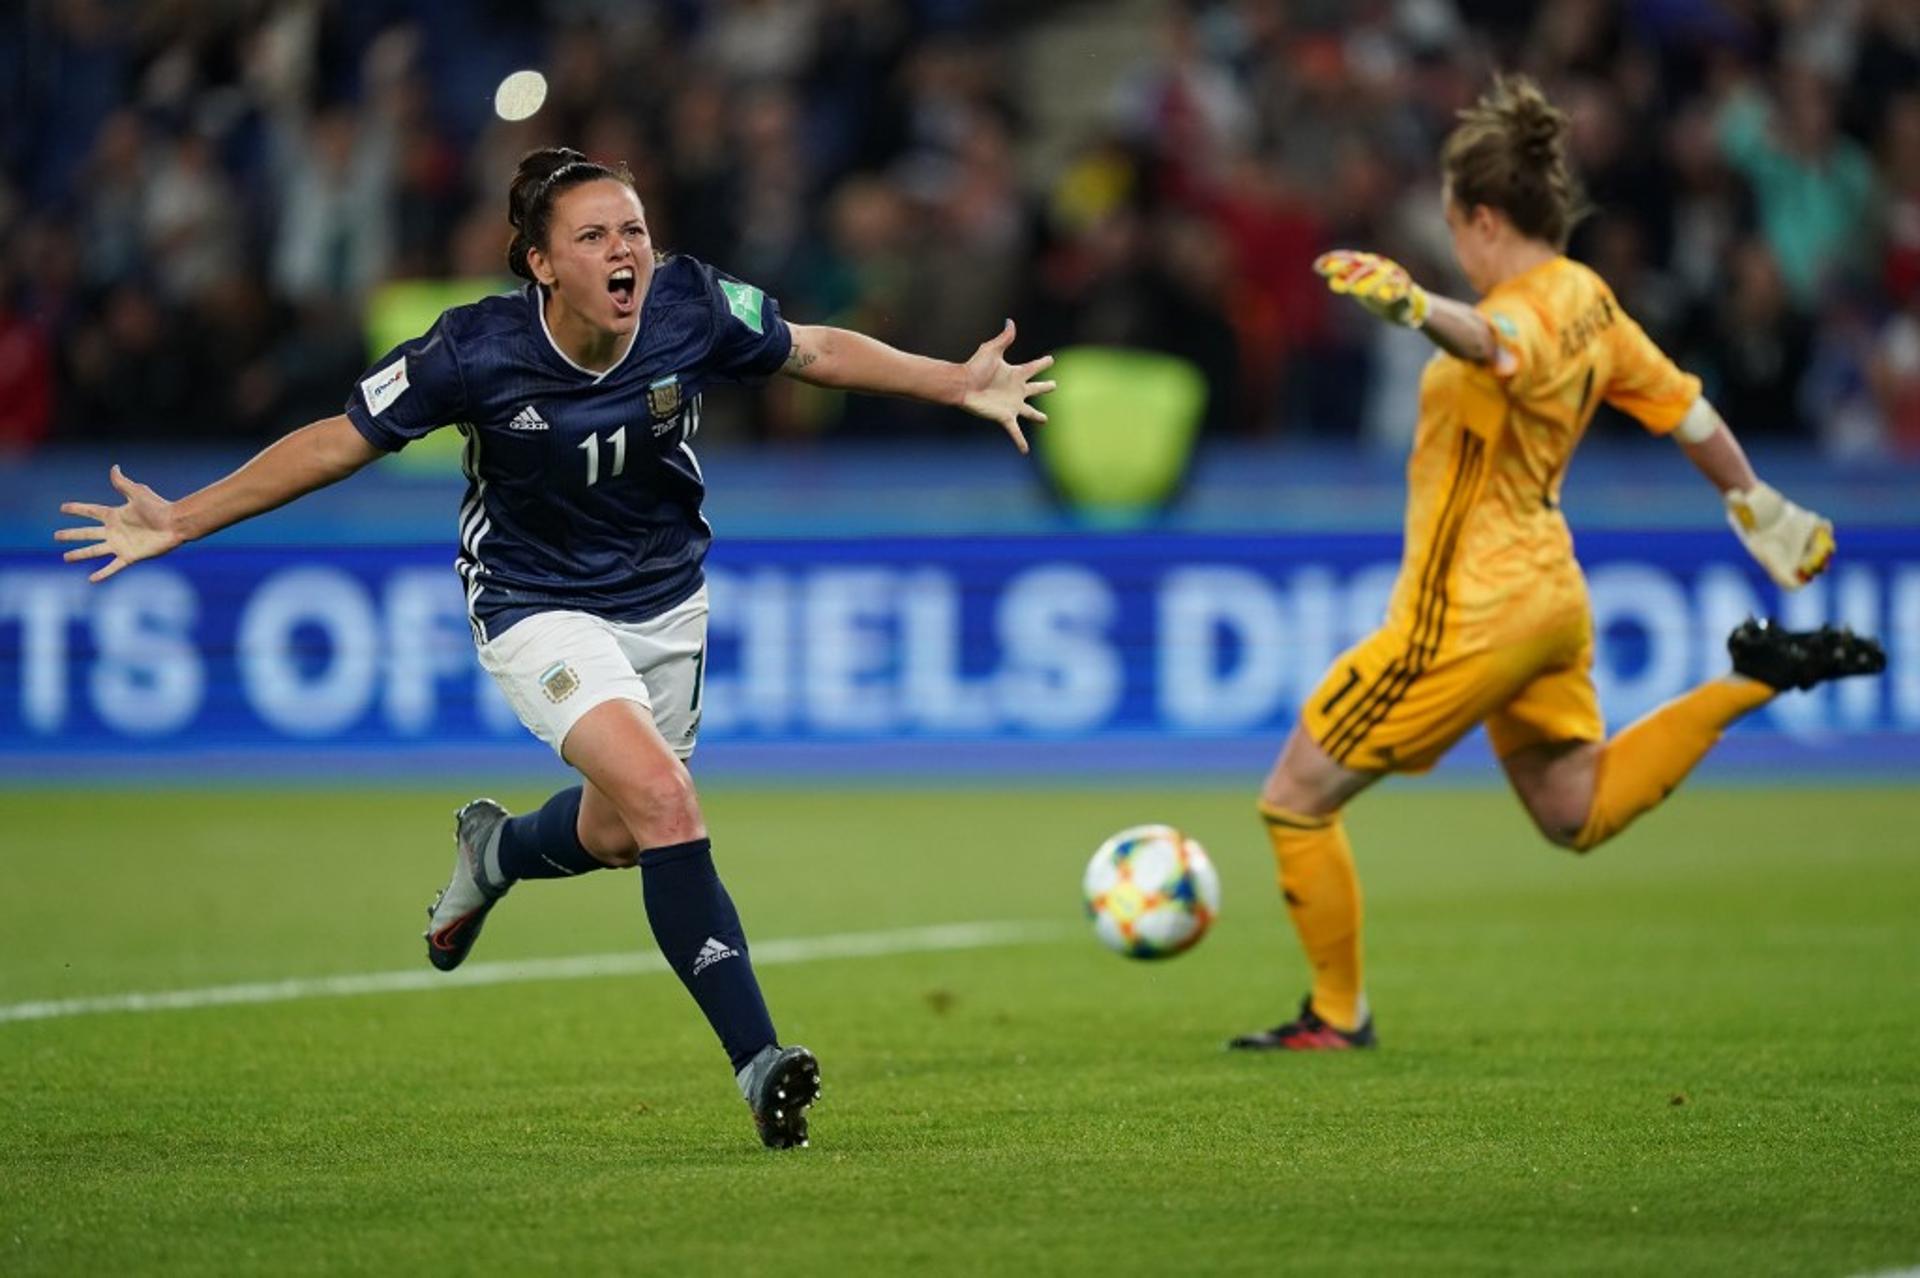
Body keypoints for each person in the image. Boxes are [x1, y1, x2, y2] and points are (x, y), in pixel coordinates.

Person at [55, 147, 1056, 1143]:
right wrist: (183, 519)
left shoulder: (690, 304)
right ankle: (760, 1062)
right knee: (666, 801)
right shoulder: (470, 351)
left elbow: (810, 350)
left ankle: (495, 850)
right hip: (533, 603)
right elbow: (338, 439)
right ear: (542, 264)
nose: (626, 251)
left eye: (634, 230)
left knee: (625, 834)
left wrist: (954, 382)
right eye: (595, 236)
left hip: (665, 600)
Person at [1228, 77, 1885, 1053]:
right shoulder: (1593, 301)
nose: (1455, 241)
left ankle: (1335, 1015)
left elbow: (1495, 346)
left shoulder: (1527, 311)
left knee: (1294, 797)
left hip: (1466, 613)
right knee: (1574, 811)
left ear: (1483, 217)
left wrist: (1414, 305)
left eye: (1455, 224)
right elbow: (1686, 411)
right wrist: (1758, 503)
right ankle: (1752, 682)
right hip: (1548, 597)